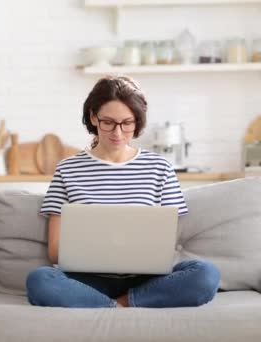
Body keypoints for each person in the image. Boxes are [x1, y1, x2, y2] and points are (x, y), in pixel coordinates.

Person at [26, 76, 220, 308]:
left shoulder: (160, 168)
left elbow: (167, 243)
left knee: (206, 275)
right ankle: (121, 305)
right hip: (88, 280)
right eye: (108, 122)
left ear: (137, 122)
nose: (117, 133)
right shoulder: (68, 169)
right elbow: (55, 251)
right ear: (93, 117)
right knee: (40, 280)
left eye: (127, 123)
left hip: (147, 280)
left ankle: (116, 304)